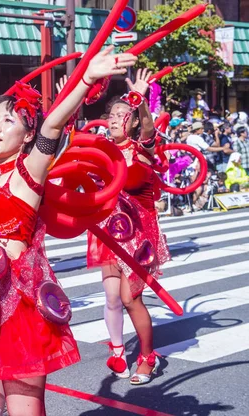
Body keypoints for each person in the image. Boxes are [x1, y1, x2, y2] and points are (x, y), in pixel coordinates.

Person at [0, 14, 137, 414]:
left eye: (8, 120)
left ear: (26, 135)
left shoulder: (29, 172)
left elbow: (55, 122)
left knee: (26, 407)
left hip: (20, 306)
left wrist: (85, 80)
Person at [87, 68, 169, 385]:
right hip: (109, 233)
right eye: (111, 114)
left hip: (139, 236)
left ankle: (147, 357)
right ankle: (119, 352)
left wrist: (141, 100)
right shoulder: (101, 151)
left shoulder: (142, 149)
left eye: (123, 115)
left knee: (130, 299)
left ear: (132, 122)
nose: (114, 119)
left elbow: (148, 128)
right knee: (111, 297)